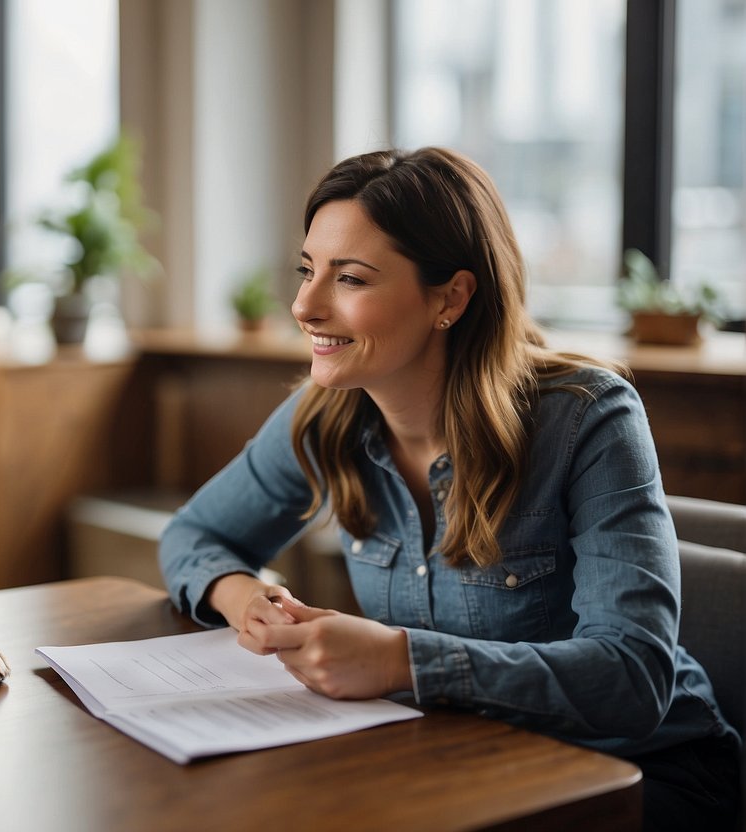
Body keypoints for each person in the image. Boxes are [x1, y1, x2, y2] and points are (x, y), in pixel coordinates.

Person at [159, 147, 741, 830]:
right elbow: (193, 536)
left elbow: (631, 679)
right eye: (306, 270)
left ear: (450, 297)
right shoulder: (326, 417)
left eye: (349, 279)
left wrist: (398, 660)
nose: (304, 305)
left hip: (638, 776)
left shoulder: (586, 417)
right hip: (462, 757)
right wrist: (243, 598)